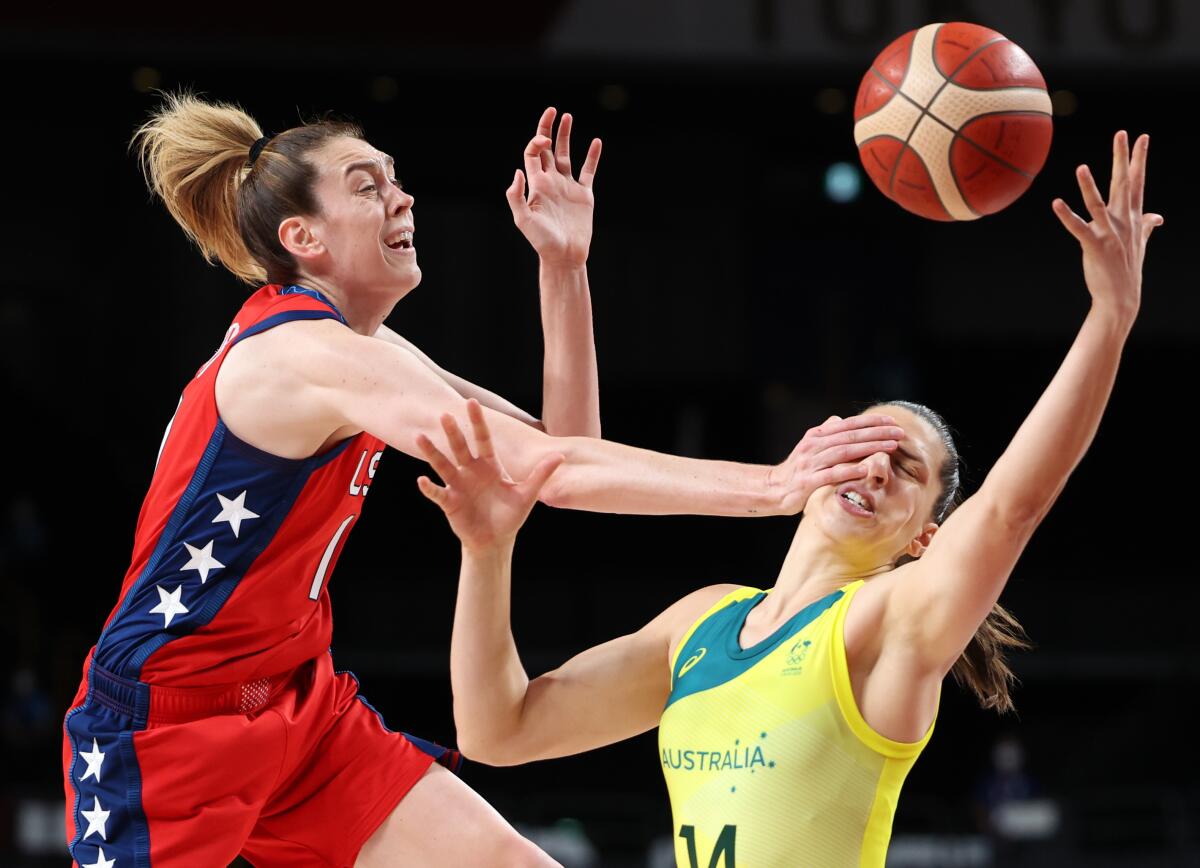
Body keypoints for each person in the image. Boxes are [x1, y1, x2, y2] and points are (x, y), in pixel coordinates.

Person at [61, 92, 906, 868]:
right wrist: (772, 487)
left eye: (397, 180)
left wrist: (564, 268)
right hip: (167, 730)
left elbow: (564, 451)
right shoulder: (301, 354)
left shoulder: (364, 350)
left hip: (299, 708)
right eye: (368, 186)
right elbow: (557, 472)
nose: (403, 198)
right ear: (302, 238)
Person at [419, 131, 1161, 867]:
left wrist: (1110, 317)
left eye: (905, 468)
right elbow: (498, 731)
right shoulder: (701, 623)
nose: (873, 469)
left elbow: (1010, 507)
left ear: (923, 542)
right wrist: (487, 551)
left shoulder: (885, 623)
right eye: (862, 446)